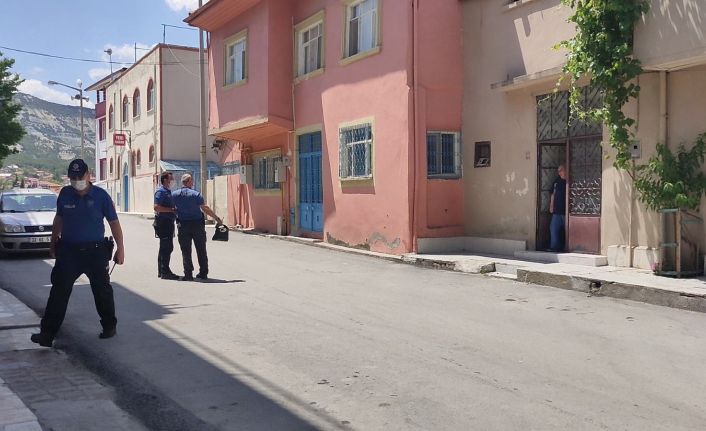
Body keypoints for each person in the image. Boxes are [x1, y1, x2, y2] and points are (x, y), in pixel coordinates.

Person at [31, 159, 125, 348]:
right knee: (59, 292)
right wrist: (53, 242)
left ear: (88, 175)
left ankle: (109, 326)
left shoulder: (101, 196)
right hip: (69, 252)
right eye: (73, 178)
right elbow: (59, 218)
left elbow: (114, 222)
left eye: (80, 177)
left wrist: (121, 249)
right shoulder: (65, 194)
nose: (76, 181)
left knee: (102, 291)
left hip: (95, 252)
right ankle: (47, 334)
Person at [171, 174, 221, 281]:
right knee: (201, 249)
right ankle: (203, 272)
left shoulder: (174, 195)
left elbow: (172, 208)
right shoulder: (196, 194)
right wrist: (217, 218)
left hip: (183, 225)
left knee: (186, 250)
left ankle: (188, 274)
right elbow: (205, 208)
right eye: (192, 180)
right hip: (197, 225)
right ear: (189, 181)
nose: (193, 182)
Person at [153, 171, 180, 280]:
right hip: (163, 223)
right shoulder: (161, 192)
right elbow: (156, 207)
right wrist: (171, 210)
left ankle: (162, 271)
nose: (172, 180)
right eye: (171, 178)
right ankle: (165, 272)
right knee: (167, 247)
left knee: (164, 247)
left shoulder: (167, 191)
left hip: (168, 222)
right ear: (165, 180)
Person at [549, 164, 567, 252]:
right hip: (557, 210)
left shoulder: (569, 181)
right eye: (558, 171)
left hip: (567, 211)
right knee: (553, 228)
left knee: (568, 230)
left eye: (561, 170)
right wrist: (551, 206)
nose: (559, 172)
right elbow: (553, 194)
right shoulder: (556, 182)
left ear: (566, 170)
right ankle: (554, 246)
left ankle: (568, 247)